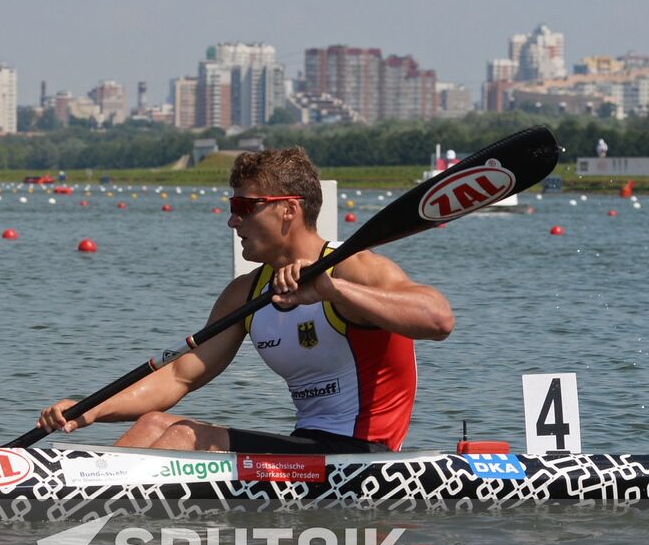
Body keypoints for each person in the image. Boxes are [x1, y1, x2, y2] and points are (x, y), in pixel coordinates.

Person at [37, 147, 454, 453]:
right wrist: (90, 409)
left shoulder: (354, 269)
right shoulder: (247, 293)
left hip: (366, 457)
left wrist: (332, 291)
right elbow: (178, 376)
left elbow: (438, 320)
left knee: (185, 437)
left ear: (288, 210)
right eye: (232, 206)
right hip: (308, 449)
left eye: (244, 206)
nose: (233, 219)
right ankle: (83, 489)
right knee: (154, 424)